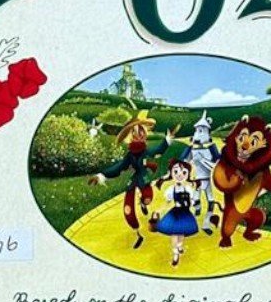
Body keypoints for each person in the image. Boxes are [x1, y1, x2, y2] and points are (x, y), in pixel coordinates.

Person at [89, 109, 177, 249]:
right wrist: (102, 175)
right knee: (128, 210)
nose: (139, 135)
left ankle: (143, 203)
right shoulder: (129, 155)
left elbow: (157, 151)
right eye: (135, 133)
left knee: (148, 198)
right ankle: (138, 233)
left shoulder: (146, 151)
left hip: (144, 178)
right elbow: (119, 167)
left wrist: (167, 140)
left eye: (141, 133)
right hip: (134, 179)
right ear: (130, 136)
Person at [177, 111, 221, 234]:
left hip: (207, 179)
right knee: (195, 201)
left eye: (202, 130)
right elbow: (183, 161)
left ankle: (206, 224)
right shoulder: (192, 149)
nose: (199, 133)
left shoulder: (211, 149)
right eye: (198, 130)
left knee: (211, 202)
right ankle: (191, 219)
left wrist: (203, 160)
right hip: (197, 180)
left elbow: (217, 164)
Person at [151, 159, 199, 267]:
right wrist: (159, 210)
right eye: (176, 172)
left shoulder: (188, 189)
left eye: (184, 172)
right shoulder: (170, 190)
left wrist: (192, 204)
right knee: (174, 233)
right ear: (171, 173)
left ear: (188, 174)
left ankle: (180, 245)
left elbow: (192, 201)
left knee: (181, 232)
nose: (179, 175)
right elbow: (167, 203)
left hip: (185, 213)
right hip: (175, 213)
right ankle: (175, 253)